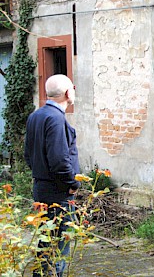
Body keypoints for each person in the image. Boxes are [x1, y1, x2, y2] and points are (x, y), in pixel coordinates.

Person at [24, 74, 80, 277]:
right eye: (72, 88)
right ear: (67, 93)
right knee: (59, 245)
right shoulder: (55, 119)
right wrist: (72, 183)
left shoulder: (36, 116)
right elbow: (59, 160)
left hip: (41, 187)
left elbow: (28, 155)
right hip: (58, 191)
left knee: (45, 242)